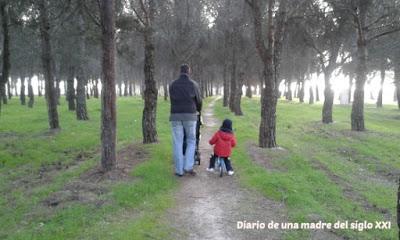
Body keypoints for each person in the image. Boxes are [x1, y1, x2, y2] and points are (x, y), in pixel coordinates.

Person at [169, 64, 202, 177]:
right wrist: (198, 110)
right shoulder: (194, 84)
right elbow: (199, 101)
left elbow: (172, 100)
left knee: (177, 142)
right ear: (189, 71)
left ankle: (179, 170)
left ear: (180, 72)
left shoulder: (173, 84)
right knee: (191, 140)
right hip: (190, 115)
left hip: (175, 116)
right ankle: (188, 166)